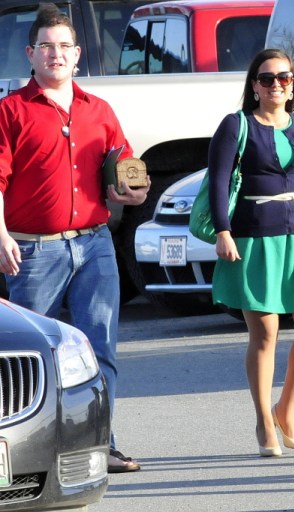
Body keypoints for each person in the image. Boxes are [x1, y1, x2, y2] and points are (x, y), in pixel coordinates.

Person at [0, 3, 149, 473]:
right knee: (32, 358)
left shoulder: (99, 110)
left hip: (95, 244)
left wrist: (134, 187)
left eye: (64, 46)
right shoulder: (10, 111)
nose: (56, 54)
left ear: (78, 54)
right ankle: (28, 452)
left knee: (99, 350)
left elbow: (126, 165)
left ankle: (101, 444)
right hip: (33, 250)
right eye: (46, 46)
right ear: (31, 53)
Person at [209, 48, 294, 457]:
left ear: (293, 84)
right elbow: (217, 181)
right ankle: (264, 420)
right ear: (254, 86)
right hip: (253, 240)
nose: (277, 85)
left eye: (285, 78)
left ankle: (285, 409)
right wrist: (223, 231)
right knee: (264, 334)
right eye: (267, 79)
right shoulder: (237, 125)